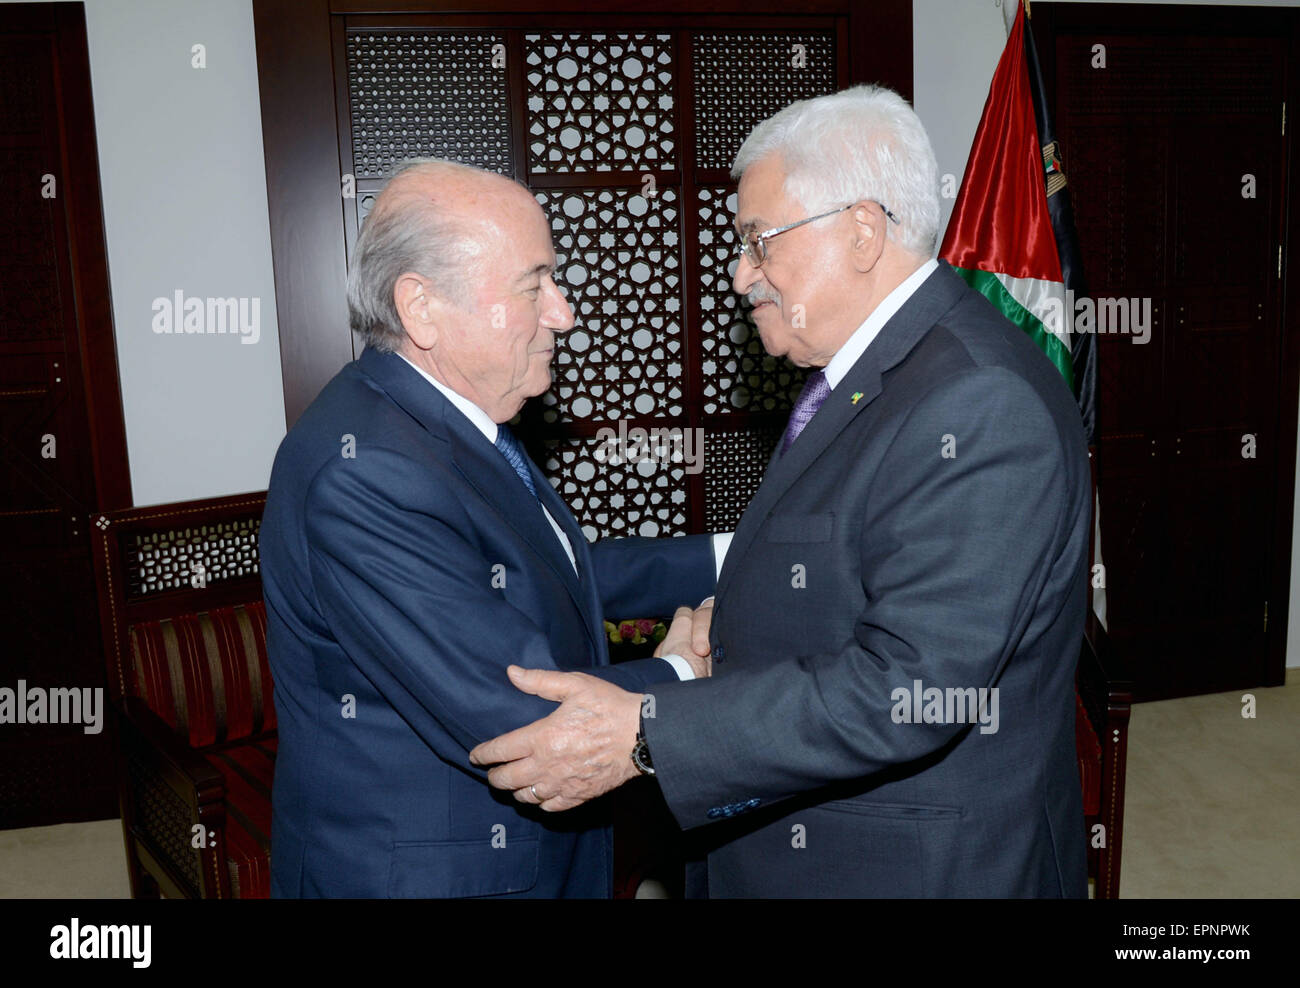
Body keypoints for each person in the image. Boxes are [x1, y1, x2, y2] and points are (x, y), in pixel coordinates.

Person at [470, 85, 1092, 898]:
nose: (739, 274)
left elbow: (913, 689)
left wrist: (649, 729)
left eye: (759, 242)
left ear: (863, 232)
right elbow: (850, 568)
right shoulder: (872, 376)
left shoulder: (976, 401)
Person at [260, 159, 722, 898]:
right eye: (533, 286)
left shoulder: (448, 417)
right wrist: (680, 675)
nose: (564, 313)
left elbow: (551, 577)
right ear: (422, 308)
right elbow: (527, 717)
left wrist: (730, 557)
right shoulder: (366, 471)